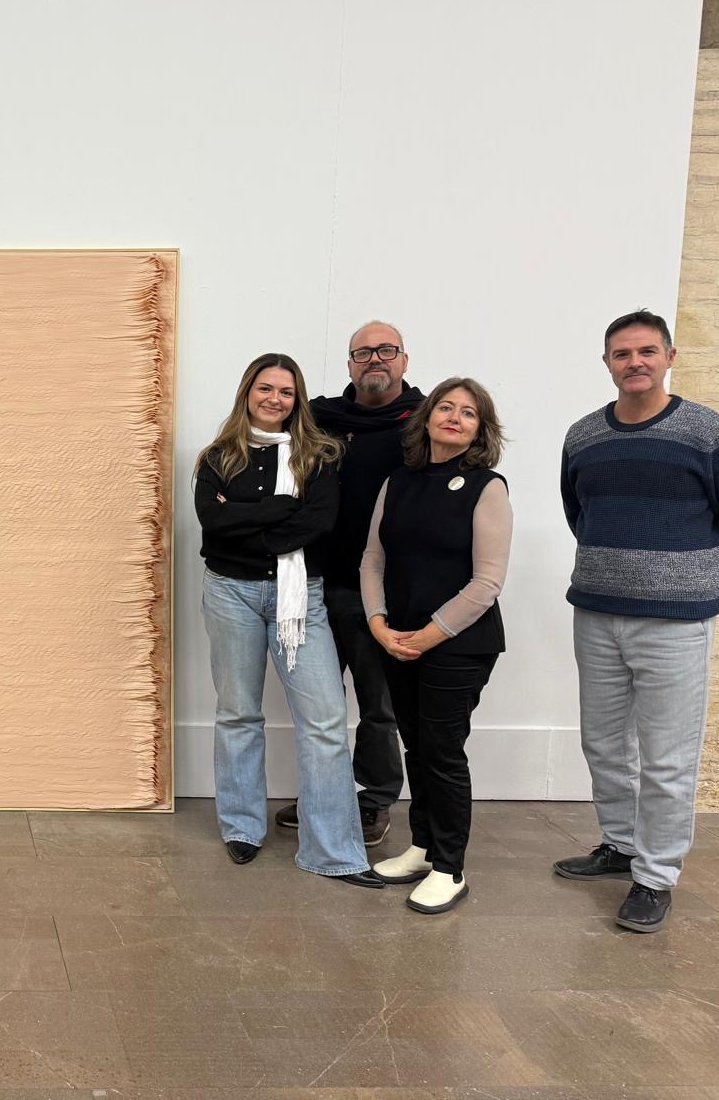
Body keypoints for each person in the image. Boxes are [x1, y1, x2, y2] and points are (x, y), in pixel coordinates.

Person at [556, 310, 719, 933]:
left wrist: (693, 580)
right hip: (596, 612)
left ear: (669, 356)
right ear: (606, 363)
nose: (634, 362)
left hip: (677, 623)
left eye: (646, 351)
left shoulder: (707, 431)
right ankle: (619, 845)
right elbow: (578, 511)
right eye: (621, 353)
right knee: (604, 742)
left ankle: (656, 875)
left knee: (667, 757)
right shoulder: (584, 435)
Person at [194, 352, 382, 888]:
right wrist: (280, 509)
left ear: (297, 399)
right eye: (265, 388)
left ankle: (332, 851)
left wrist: (245, 520)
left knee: (324, 721)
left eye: (286, 391)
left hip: (300, 596)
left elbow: (318, 522)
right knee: (238, 712)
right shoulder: (218, 457)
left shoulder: (319, 455)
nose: (274, 399)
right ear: (247, 392)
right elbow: (212, 524)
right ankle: (242, 827)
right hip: (229, 592)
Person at [362, 378, 512, 914]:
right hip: (398, 638)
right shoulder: (397, 482)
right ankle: (424, 847)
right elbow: (373, 558)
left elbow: (487, 583)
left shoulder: (487, 488)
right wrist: (378, 623)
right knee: (417, 747)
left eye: (468, 412)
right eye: (445, 407)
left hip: (459, 645)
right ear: (426, 419)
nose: (455, 417)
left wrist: (428, 635)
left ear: (480, 429)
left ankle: (451, 868)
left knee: (443, 753)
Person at [278, 321, 426, 847]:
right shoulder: (321, 419)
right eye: (363, 353)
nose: (374, 360)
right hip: (316, 582)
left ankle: (374, 798)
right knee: (319, 704)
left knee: (378, 705)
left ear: (404, 360)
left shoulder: (423, 423)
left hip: (382, 592)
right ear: (349, 365)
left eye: (386, 350)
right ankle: (326, 793)